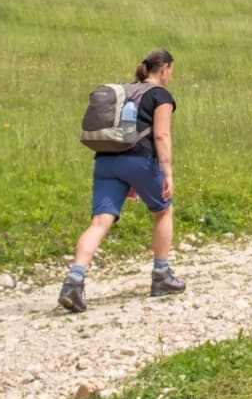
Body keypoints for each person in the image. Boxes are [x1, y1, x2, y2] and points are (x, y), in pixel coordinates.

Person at [59, 48, 183, 312]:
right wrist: (167, 172)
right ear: (164, 69)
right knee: (163, 211)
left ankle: (74, 280)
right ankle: (161, 276)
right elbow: (160, 135)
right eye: (172, 70)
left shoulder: (127, 90)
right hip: (141, 161)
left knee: (99, 221)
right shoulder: (160, 95)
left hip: (106, 160)